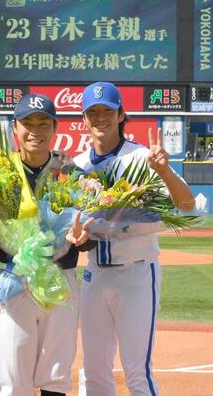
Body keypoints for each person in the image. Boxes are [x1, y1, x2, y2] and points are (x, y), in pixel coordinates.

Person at [74, 82, 195, 395]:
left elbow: (186, 204)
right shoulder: (75, 166)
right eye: (93, 112)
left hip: (137, 273)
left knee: (137, 373)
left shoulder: (143, 158)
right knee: (95, 371)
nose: (100, 117)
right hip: (94, 274)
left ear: (121, 114)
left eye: (107, 111)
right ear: (84, 118)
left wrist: (166, 172)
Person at [0, 93, 95, 396]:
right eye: (28, 123)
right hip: (13, 279)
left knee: (56, 372)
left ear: (55, 127)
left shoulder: (70, 174)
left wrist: (82, 241)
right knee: (13, 377)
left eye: (43, 123)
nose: (35, 130)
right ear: (15, 127)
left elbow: (84, 231)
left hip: (60, 279)